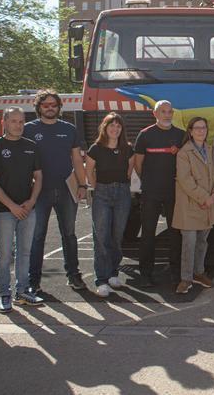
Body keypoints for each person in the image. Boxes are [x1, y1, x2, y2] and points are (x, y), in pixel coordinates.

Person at [25, 89, 89, 294]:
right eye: (46, 105)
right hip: (39, 191)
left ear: (59, 107)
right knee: (37, 236)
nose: (50, 108)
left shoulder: (69, 129)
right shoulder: (28, 129)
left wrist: (82, 185)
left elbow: (77, 160)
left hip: (66, 189)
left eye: (54, 104)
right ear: (38, 108)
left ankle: (74, 275)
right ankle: (33, 280)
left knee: (69, 234)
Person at [0, 107, 44, 312]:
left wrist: (32, 201)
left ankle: (22, 291)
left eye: (21, 122)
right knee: (5, 254)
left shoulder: (31, 146)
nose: (18, 125)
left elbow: (38, 177)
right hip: (4, 211)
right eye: (14, 121)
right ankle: (4, 294)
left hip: (28, 209)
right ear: (4, 123)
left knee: (25, 252)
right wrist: (12, 206)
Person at [133, 100, 187, 288]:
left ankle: (175, 273)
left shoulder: (181, 135)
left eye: (170, 111)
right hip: (151, 192)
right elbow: (138, 164)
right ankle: (146, 273)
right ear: (154, 114)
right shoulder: (145, 135)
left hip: (174, 192)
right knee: (148, 234)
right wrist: (149, 181)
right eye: (163, 111)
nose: (167, 115)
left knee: (175, 234)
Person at [85, 112, 134, 298]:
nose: (115, 129)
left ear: (122, 129)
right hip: (102, 194)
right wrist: (99, 188)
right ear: (105, 128)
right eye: (111, 125)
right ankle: (102, 280)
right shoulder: (96, 149)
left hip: (122, 193)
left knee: (117, 235)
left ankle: (114, 273)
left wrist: (120, 185)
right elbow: (89, 171)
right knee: (101, 237)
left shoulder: (127, 149)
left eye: (118, 126)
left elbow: (129, 170)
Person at [173, 117, 214, 294]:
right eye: (197, 128)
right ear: (191, 131)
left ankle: (199, 273)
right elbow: (185, 181)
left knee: (202, 241)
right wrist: (204, 198)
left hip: (208, 204)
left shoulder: (211, 150)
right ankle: (186, 279)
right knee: (189, 243)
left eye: (204, 128)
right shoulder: (184, 153)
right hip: (191, 205)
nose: (201, 131)